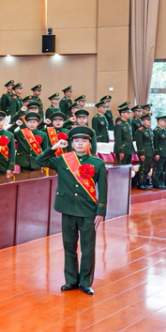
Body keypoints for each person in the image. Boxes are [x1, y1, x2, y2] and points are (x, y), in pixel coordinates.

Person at [35, 125, 107, 295]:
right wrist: (54, 147)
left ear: (89, 143)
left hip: (88, 211)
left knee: (88, 248)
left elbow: (103, 189)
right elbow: (40, 160)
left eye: (84, 141)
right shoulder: (63, 160)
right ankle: (71, 280)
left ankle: (85, 282)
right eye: (76, 141)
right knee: (69, 247)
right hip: (67, 209)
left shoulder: (98, 163)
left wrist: (101, 211)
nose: (80, 144)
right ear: (71, 143)